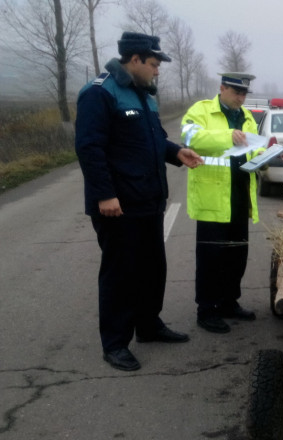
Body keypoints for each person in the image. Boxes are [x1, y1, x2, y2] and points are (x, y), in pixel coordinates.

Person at [75, 32, 204, 372]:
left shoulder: (144, 96)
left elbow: (154, 139)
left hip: (148, 199)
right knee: (121, 272)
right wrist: (104, 194)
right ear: (134, 60)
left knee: (151, 267)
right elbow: (90, 148)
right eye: (153, 64)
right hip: (118, 204)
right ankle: (115, 343)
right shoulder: (100, 93)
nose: (157, 71)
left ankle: (148, 325)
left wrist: (176, 151)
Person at [180, 73, 265, 334]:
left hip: (240, 198)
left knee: (236, 256)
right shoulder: (201, 111)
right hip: (212, 200)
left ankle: (229, 302)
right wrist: (227, 136)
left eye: (244, 94)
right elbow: (191, 139)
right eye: (236, 92)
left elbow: (253, 147)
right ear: (222, 88)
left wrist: (265, 155)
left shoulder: (248, 117)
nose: (240, 98)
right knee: (210, 259)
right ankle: (207, 309)